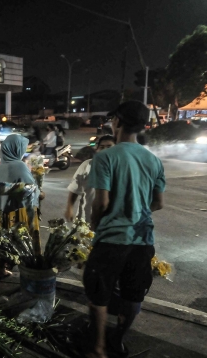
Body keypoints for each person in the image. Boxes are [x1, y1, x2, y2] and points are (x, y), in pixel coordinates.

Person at [83, 101, 165, 358]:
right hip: (142, 239)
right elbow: (159, 203)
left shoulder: (105, 157)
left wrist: (96, 225)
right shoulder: (153, 160)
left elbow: (102, 202)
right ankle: (118, 340)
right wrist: (137, 212)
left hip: (111, 239)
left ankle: (97, 349)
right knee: (133, 295)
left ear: (116, 121)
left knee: (99, 295)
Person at [0, 134, 41, 278]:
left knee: (7, 242)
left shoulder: (3, 165)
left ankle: (2, 269)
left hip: (5, 211)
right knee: (25, 243)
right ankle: (29, 274)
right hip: (21, 211)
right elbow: (30, 188)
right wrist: (39, 190)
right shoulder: (19, 165)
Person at [64, 135, 115, 223]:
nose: (105, 150)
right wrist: (69, 208)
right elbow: (75, 189)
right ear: (97, 149)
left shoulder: (121, 167)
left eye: (109, 147)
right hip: (85, 219)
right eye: (102, 147)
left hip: (111, 222)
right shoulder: (87, 165)